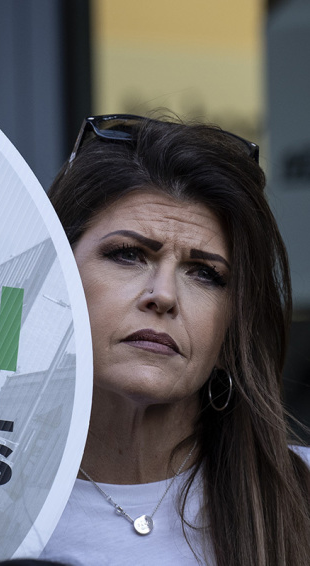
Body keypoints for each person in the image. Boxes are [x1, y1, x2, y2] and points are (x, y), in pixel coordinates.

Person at [39, 115, 310, 565]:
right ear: (56, 278)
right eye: (127, 254)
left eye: (205, 273)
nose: (163, 295)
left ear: (232, 331)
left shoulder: (298, 502)